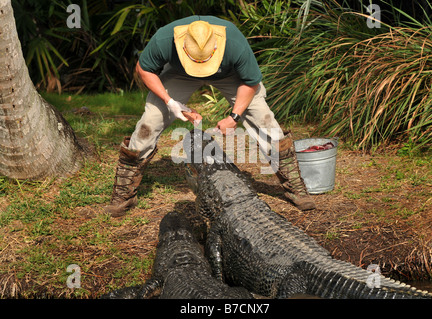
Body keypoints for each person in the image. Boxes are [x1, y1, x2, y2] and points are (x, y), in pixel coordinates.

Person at [103, 15, 316, 217]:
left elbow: (250, 82)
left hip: (229, 75)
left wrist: (234, 117)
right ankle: (124, 193)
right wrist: (171, 103)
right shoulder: (164, 39)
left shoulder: (234, 42)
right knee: (148, 123)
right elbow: (144, 69)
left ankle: (295, 186)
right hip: (180, 74)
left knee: (264, 118)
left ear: (217, 46)